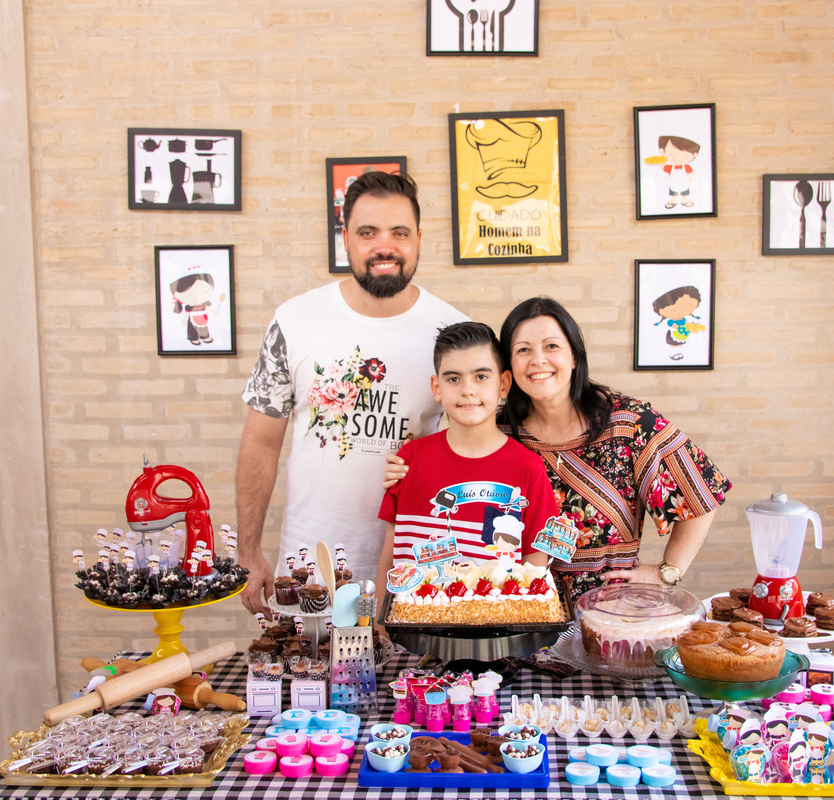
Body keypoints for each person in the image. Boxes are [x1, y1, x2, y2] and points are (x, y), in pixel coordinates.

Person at [386, 296, 730, 599]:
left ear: (574, 356)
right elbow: (450, 469)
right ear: (508, 369)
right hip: (522, 613)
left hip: (609, 611)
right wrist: (403, 471)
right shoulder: (499, 429)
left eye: (551, 346)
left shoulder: (628, 424)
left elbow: (700, 491)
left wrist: (667, 570)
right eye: (523, 350)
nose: (538, 360)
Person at [236, 171, 467, 617]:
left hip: (416, 572)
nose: (385, 246)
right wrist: (249, 551)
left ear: (419, 239)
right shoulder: (295, 320)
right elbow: (261, 443)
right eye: (367, 232)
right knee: (306, 667)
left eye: (399, 232)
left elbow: (469, 449)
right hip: (309, 572)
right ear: (345, 239)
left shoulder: (453, 333)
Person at [376, 322, 558, 597]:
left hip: (498, 623)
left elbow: (535, 568)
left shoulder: (528, 468)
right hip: (409, 622)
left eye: (481, 376)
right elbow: (390, 553)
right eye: (453, 379)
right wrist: (378, 620)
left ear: (504, 384)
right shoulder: (409, 460)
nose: (467, 390)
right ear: (436, 387)